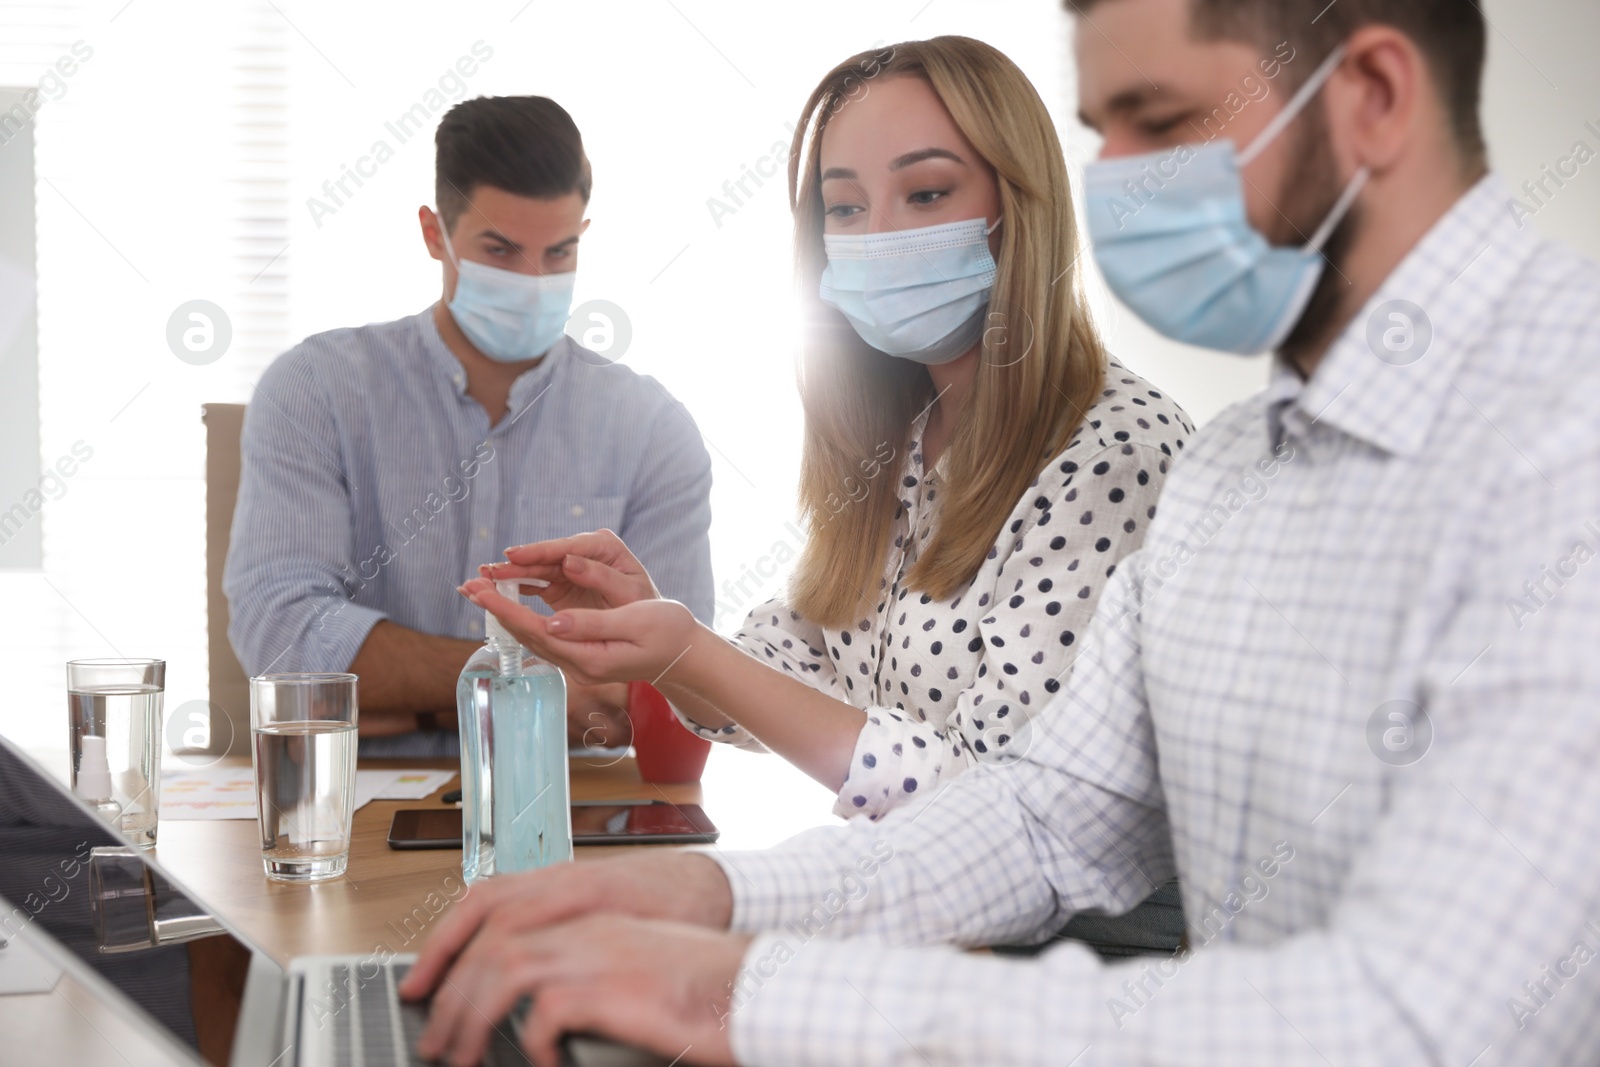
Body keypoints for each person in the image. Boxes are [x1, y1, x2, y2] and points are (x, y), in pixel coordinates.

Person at [403, 3, 1600, 1065]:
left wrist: (762, 989)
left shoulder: (1562, 441)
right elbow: (1042, 812)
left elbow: (1434, 1021)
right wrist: (707, 889)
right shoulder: (1243, 466)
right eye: (1104, 135)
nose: (1117, 188)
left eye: (1161, 122)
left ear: (1373, 97)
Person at [225, 96, 713, 756]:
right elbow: (281, 638)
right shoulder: (317, 391)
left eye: (559, 251)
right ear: (435, 234)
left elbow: (676, 688)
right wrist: (530, 683)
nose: (534, 281)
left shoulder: (652, 428)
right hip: (360, 809)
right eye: (501, 250)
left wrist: (403, 701)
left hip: (574, 813)